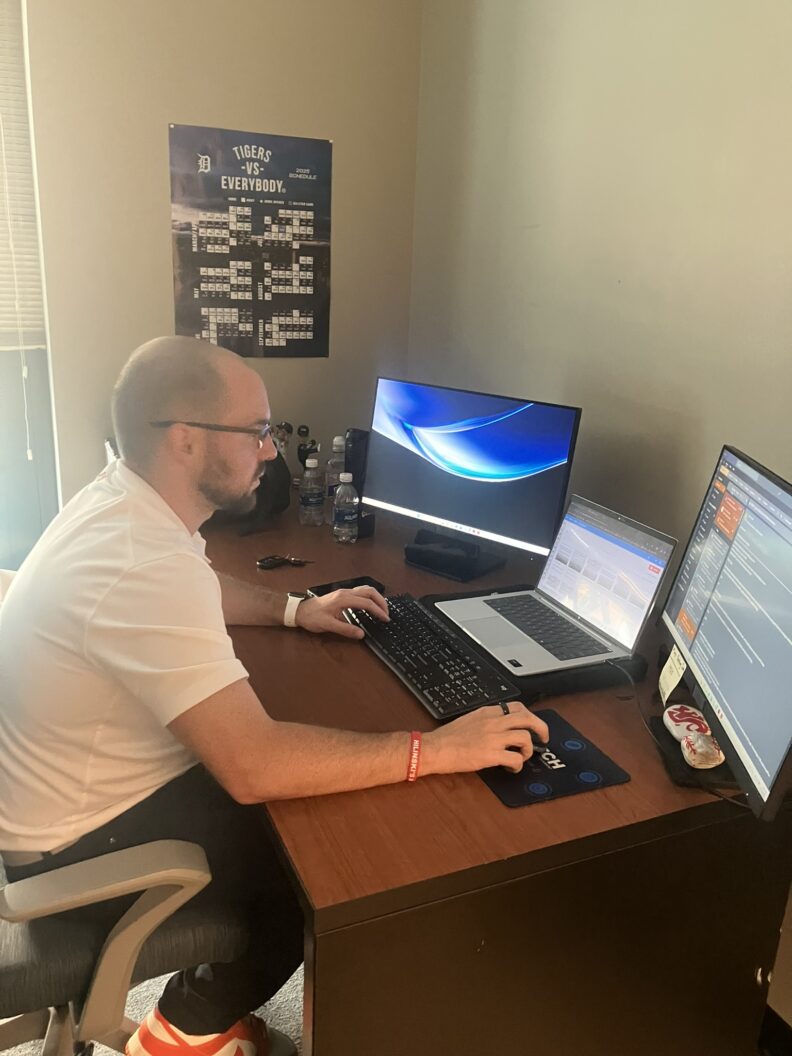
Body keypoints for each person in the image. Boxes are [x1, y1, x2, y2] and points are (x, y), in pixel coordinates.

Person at [0, 337, 549, 1056]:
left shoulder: (122, 501)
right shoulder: (139, 560)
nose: (270, 451)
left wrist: (295, 609)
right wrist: (437, 749)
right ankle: (183, 1032)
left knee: (323, 779)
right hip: (73, 846)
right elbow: (254, 766)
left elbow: (194, 585)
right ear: (188, 442)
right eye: (257, 432)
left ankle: (201, 1013)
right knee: (327, 868)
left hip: (56, 798)